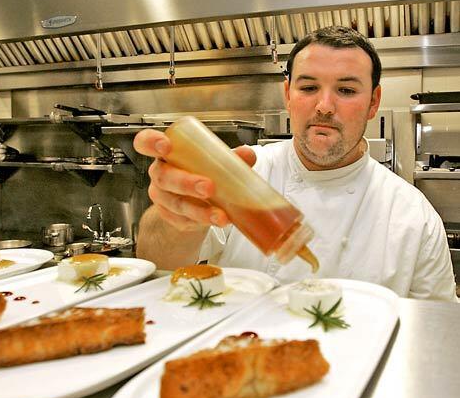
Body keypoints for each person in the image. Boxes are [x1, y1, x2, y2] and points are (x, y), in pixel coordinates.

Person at [134, 26, 457, 301]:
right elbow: (157, 262)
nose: (325, 106)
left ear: (373, 102)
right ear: (288, 94)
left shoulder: (415, 218)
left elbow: (434, 331)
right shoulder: (241, 172)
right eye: (309, 87)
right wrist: (175, 217)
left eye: (346, 89)